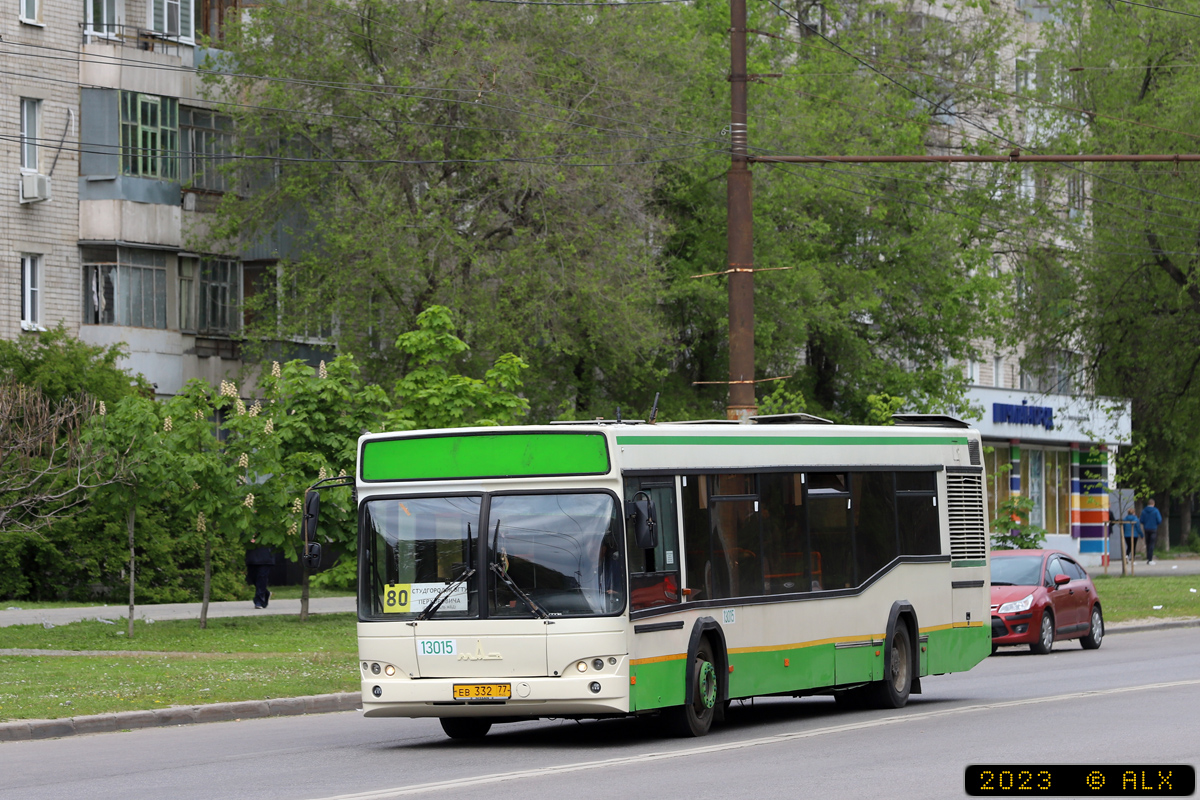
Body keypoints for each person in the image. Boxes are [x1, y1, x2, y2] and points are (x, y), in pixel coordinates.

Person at [246, 540, 275, 608]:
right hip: (252, 556)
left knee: (262, 577)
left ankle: (259, 600)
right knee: (252, 576)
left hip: (266, 556)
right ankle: (265, 593)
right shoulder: (248, 530)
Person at [1139, 498, 1163, 565]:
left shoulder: (1144, 511)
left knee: (1148, 543)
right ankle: (1150, 559)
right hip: (1153, 529)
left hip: (1146, 528)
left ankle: (1148, 557)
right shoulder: (1156, 511)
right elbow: (1159, 520)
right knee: (1152, 544)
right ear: (1153, 504)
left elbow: (1141, 520)